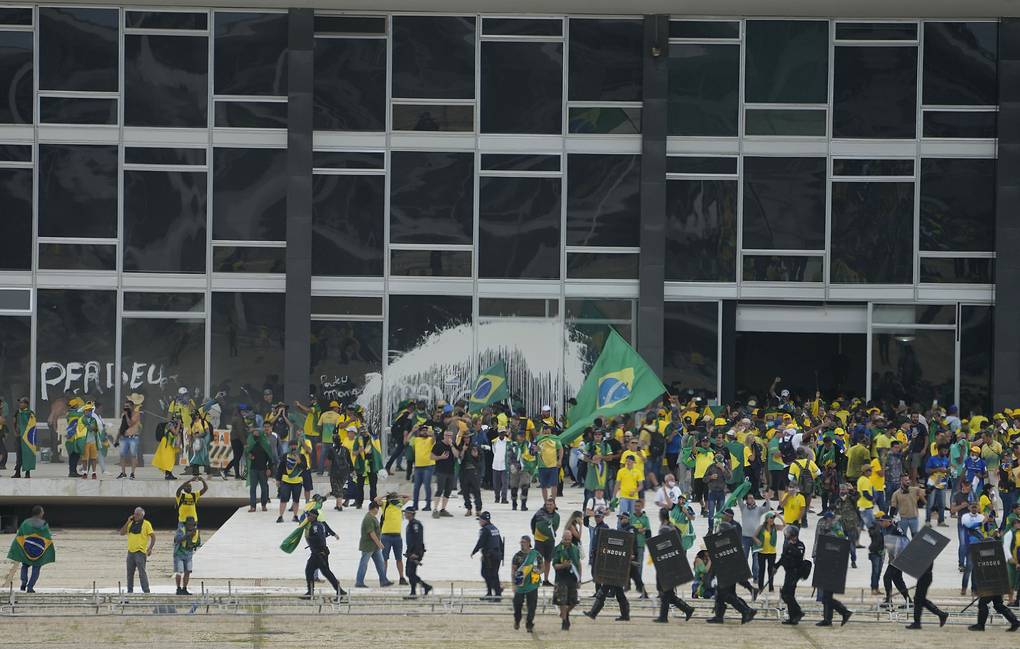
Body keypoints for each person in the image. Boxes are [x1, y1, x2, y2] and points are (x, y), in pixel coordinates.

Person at [653, 507, 695, 623]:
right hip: (671, 561)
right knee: (668, 593)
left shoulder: (666, 529)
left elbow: (664, 546)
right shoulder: (673, 527)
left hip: (667, 563)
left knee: (666, 591)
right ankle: (687, 609)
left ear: (661, 516)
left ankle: (664, 617)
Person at [299, 508, 346, 601]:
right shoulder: (318, 525)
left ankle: (311, 593)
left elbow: (319, 538)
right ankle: (338, 591)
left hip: (318, 553)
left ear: (314, 516)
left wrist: (309, 539)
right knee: (318, 572)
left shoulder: (315, 526)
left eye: (309, 515)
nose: (307, 517)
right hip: (319, 553)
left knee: (319, 572)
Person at [7, 505, 54, 592]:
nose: (43, 513)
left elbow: (20, 536)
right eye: (42, 511)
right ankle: (30, 587)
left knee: (25, 565)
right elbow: (47, 537)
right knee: (36, 568)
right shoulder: (44, 524)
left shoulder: (25, 523)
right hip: (38, 551)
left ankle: (23, 583)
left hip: (27, 549)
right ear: (40, 513)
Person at [355, 501, 393, 588]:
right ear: (375, 508)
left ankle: (383, 580)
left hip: (374, 546)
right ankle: (359, 582)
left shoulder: (372, 517)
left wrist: (377, 544)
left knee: (380, 563)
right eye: (377, 508)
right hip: (368, 546)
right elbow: (371, 533)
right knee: (364, 564)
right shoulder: (369, 519)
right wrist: (379, 543)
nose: (378, 510)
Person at [510, 535, 543, 632]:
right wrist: (513, 584)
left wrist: (539, 571)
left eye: (523, 542)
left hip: (532, 584)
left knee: (532, 607)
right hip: (520, 584)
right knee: (517, 605)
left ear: (529, 543)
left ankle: (529, 624)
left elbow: (542, 567)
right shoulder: (517, 556)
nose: (522, 544)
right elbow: (513, 570)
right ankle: (517, 620)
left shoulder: (536, 554)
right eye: (521, 542)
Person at [119, 507, 155, 594]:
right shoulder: (130, 523)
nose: (136, 516)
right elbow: (122, 533)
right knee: (129, 574)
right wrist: (128, 521)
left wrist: (150, 548)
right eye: (135, 514)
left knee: (142, 573)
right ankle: (130, 591)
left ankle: (146, 591)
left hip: (140, 552)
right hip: (130, 552)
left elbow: (153, 536)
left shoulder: (146, 524)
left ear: (142, 515)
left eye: (138, 514)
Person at [776, 524, 806, 624]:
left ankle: (798, 612)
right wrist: (776, 566)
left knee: (786, 594)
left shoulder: (800, 545)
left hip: (795, 573)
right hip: (788, 572)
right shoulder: (787, 545)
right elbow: (783, 557)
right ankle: (793, 618)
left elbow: (799, 555)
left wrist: (791, 546)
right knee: (789, 594)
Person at [552, 528, 581, 630]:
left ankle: (565, 614)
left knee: (574, 601)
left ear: (571, 538)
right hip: (561, 578)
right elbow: (555, 565)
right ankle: (564, 621)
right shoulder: (557, 549)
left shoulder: (575, 549)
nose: (567, 541)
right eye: (565, 539)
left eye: (569, 539)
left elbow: (579, 564)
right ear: (562, 538)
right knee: (562, 601)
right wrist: (563, 566)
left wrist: (579, 579)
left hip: (573, 578)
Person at [905, 562, 948, 630]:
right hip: (924, 576)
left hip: (925, 576)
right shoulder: (926, 556)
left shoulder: (926, 557)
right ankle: (941, 614)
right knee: (920, 599)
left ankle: (917, 623)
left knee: (918, 599)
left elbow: (923, 566)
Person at [471, 511, 504, 599]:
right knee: (493, 574)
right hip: (497, 555)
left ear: (484, 520)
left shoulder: (485, 530)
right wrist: (502, 555)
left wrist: (474, 551)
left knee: (487, 574)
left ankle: (496, 593)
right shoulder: (494, 528)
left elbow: (481, 542)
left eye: (480, 520)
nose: (479, 522)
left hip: (489, 556)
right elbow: (500, 542)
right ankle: (494, 592)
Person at [245, 421, 275, 512]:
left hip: (263, 469)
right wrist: (249, 455)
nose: (256, 434)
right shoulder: (251, 443)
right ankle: (253, 506)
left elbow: (270, 458)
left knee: (264, 488)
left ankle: (263, 505)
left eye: (257, 433)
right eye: (254, 433)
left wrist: (269, 469)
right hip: (253, 469)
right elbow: (247, 452)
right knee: (252, 489)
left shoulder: (265, 444)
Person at [380, 493, 409, 585]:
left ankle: (401, 577)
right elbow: (376, 500)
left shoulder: (399, 504)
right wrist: (385, 496)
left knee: (399, 558)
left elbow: (408, 497)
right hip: (386, 535)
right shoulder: (385, 505)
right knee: (384, 558)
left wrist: (398, 495)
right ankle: (383, 578)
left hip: (397, 536)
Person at [403, 504, 432, 598]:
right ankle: (423, 587)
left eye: (406, 513)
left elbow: (418, 540)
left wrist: (416, 553)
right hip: (411, 552)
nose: (405, 514)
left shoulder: (416, 524)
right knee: (409, 573)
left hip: (416, 552)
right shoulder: (411, 524)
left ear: (411, 514)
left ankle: (415, 592)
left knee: (411, 572)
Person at [276, 439, 307, 523]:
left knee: (296, 500)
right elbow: (280, 468)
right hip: (286, 481)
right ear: (289, 446)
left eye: (295, 445)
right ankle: (280, 516)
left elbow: (304, 468)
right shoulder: (285, 456)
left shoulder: (302, 456)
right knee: (283, 499)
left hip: (297, 481)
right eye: (291, 445)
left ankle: (295, 516)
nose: (293, 447)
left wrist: (299, 461)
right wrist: (278, 479)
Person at [531, 497, 560, 586]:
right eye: (547, 504)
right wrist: (535, 533)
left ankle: (546, 580)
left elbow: (555, 526)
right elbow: (533, 523)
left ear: (554, 505)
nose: (549, 506)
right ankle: (535, 580)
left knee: (548, 560)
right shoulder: (539, 513)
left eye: (551, 504)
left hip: (550, 541)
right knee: (537, 561)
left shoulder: (556, 516)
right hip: (539, 540)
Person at [115, 394, 143, 480]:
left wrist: (126, 415)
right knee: (122, 455)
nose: (126, 408)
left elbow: (130, 423)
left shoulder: (136, 414)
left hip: (133, 438)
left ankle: (132, 473)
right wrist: (117, 438)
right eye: (125, 406)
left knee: (133, 455)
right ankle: (123, 473)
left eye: (128, 406)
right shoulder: (124, 415)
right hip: (124, 438)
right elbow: (122, 427)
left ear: (132, 407)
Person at [408, 423, 436, 511]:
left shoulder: (430, 439)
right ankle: (415, 505)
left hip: (428, 465)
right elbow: (406, 441)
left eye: (426, 430)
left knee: (427, 485)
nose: (424, 432)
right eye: (423, 430)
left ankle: (428, 505)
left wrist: (432, 434)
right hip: (418, 466)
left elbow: (434, 440)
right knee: (416, 487)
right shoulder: (416, 440)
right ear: (419, 432)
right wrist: (412, 431)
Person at [431, 428, 457, 517]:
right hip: (441, 470)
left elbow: (457, 455)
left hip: (451, 471)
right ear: (444, 436)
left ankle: (443, 509)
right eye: (447, 435)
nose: (448, 437)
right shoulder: (438, 445)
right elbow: (431, 456)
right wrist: (440, 457)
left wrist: (451, 445)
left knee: (448, 491)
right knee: (440, 489)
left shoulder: (453, 445)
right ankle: (435, 509)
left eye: (450, 435)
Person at [456, 434, 484, 517]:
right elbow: (459, 459)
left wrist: (476, 456)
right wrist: (463, 450)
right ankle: (468, 509)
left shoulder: (475, 446)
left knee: (476, 491)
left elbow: (480, 459)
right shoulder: (460, 447)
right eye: (465, 438)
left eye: (468, 437)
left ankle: (478, 509)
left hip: (474, 472)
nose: (466, 439)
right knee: (465, 492)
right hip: (464, 472)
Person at [536, 423, 564, 503]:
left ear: (550, 430)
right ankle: (546, 503)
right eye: (544, 429)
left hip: (553, 465)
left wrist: (560, 460)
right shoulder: (538, 439)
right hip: (542, 465)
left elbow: (560, 449)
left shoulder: (555, 438)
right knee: (543, 486)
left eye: (547, 429)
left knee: (554, 485)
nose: (546, 431)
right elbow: (535, 449)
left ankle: (553, 502)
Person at [752, 511, 779, 594]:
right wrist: (757, 541)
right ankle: (760, 587)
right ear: (767, 519)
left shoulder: (775, 527)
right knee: (762, 570)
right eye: (771, 518)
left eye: (773, 518)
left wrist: (779, 516)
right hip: (762, 552)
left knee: (771, 570)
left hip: (772, 552)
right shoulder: (761, 527)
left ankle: (771, 587)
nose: (772, 520)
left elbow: (785, 525)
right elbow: (754, 536)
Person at [173, 517, 201, 595]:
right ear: (186, 525)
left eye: (192, 525)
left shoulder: (196, 532)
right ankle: (178, 589)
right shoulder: (181, 530)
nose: (191, 526)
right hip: (179, 554)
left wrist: (194, 544)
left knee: (188, 571)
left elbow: (198, 542)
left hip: (189, 555)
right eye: (189, 524)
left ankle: (184, 588)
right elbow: (177, 540)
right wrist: (188, 535)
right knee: (179, 571)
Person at [491, 427, 509, 504]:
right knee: (496, 483)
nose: (502, 434)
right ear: (498, 433)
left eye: (503, 432)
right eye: (501, 433)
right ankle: (497, 497)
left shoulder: (508, 442)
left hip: (505, 465)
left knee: (505, 483)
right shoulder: (494, 441)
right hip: (496, 464)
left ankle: (504, 498)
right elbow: (494, 451)